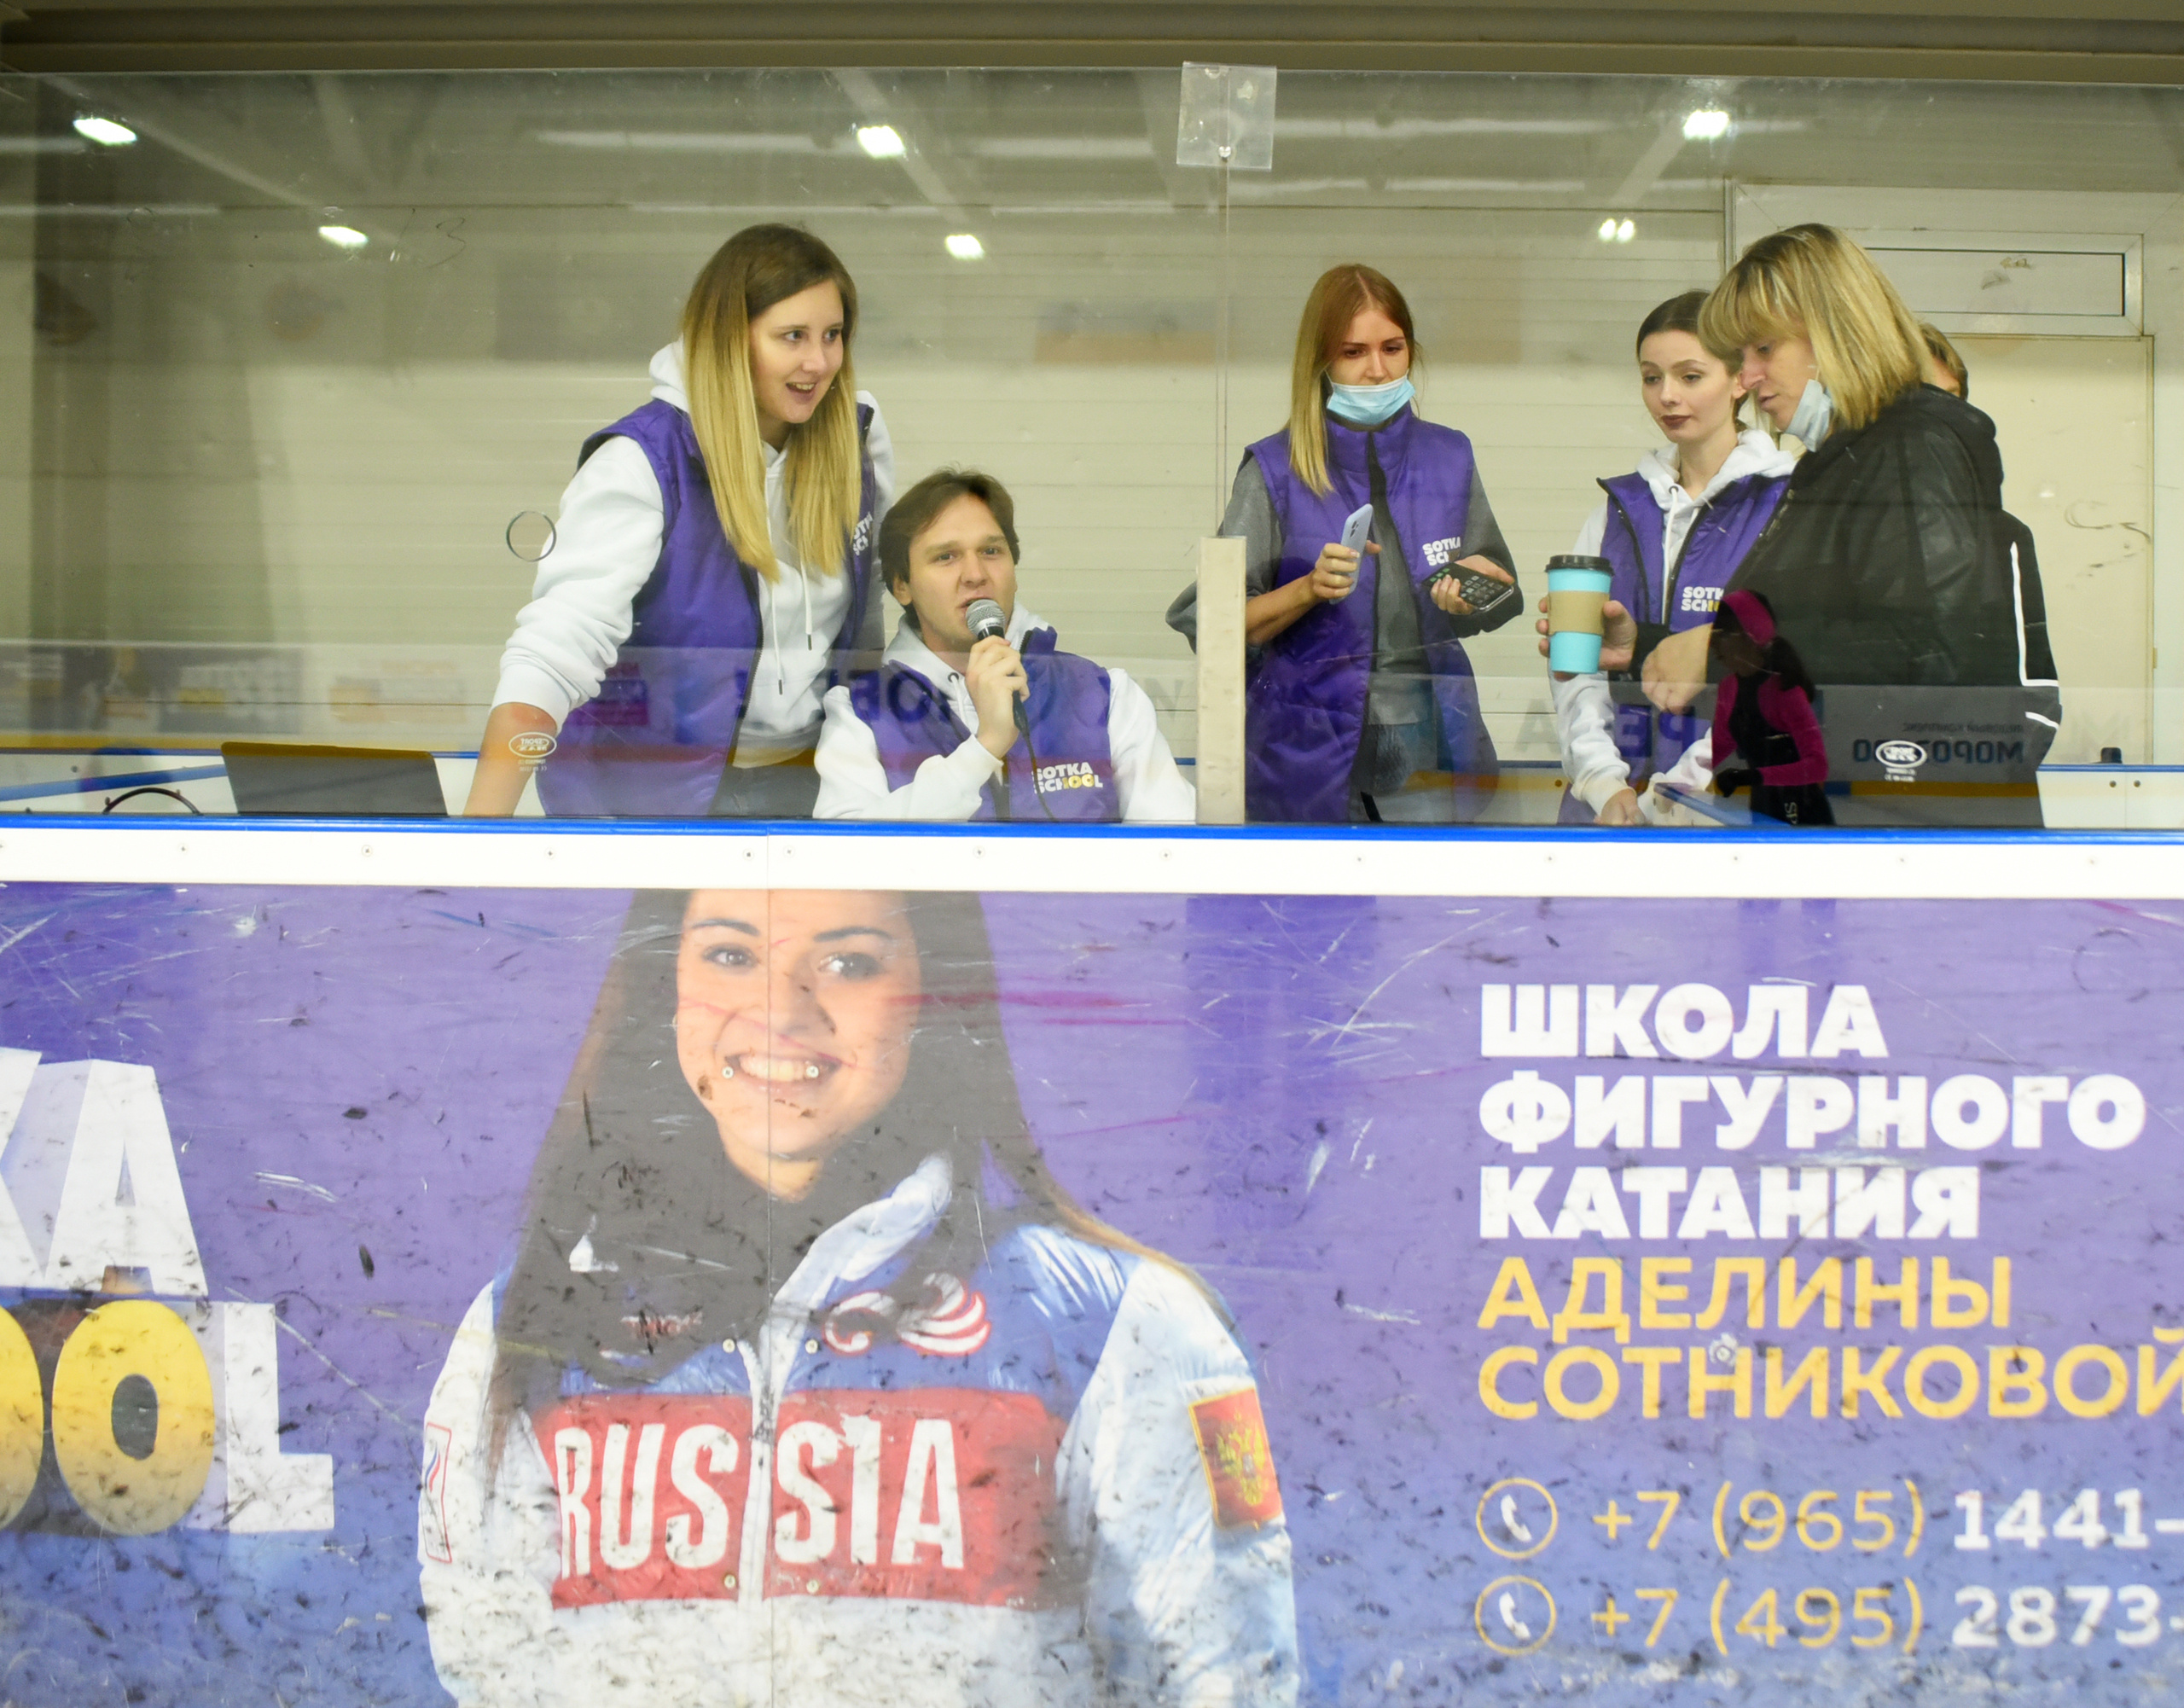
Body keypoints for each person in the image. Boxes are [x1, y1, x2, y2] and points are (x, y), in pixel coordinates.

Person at [418, 888, 1298, 1707]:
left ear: (934, 992)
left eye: (849, 964)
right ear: (666, 984)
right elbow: (486, 1658)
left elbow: (1221, 1677)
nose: (781, 1010)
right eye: (729, 955)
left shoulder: (1115, 1319)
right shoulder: (532, 1311)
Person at [465, 224, 892, 819]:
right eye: (791, 336)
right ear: (729, 340)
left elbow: (865, 622)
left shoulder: (855, 443)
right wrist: (474, 842)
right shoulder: (642, 462)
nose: (818, 362)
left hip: (808, 787)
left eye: (833, 335)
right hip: (651, 799)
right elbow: (554, 651)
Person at [1635, 224, 2056, 825]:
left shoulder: (1912, 448)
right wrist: (1649, 650)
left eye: (1763, 350)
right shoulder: (1842, 463)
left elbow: (1932, 654)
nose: (1749, 379)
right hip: (1842, 818)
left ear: (1832, 333)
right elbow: (1821, 638)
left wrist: (1720, 649)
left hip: (1907, 839)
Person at [1165, 264, 1520, 823]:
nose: (1378, 371)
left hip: (1433, 748)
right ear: (1321, 362)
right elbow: (1210, 623)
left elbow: (1499, 588)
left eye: (1392, 348)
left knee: (1429, 906)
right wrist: (1307, 590)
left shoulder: (1450, 457)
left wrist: (1482, 589)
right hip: (1306, 750)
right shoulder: (1275, 470)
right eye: (1354, 352)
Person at [814, 469, 1195, 822]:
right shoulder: (858, 712)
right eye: (946, 557)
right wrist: (984, 749)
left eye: (991, 551)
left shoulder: (1106, 695)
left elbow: (1178, 852)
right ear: (902, 586)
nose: (976, 574)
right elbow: (841, 865)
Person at [1548, 290, 1794, 826]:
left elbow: (1784, 678)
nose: (1667, 397)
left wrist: (1683, 791)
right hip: (1608, 811)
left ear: (1738, 380)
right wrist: (1600, 781)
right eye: (1652, 377)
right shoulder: (1615, 511)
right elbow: (1575, 667)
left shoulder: (1785, 508)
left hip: (1729, 811)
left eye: (1690, 376)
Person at [1708, 590, 1833, 827]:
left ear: (1750, 635)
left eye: (1722, 634)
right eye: (1712, 633)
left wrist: (1752, 776)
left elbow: (1817, 766)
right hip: (1762, 809)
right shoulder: (1729, 688)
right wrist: (1678, 772)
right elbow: (1721, 743)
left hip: (1802, 813)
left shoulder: (1785, 692)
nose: (1712, 643)